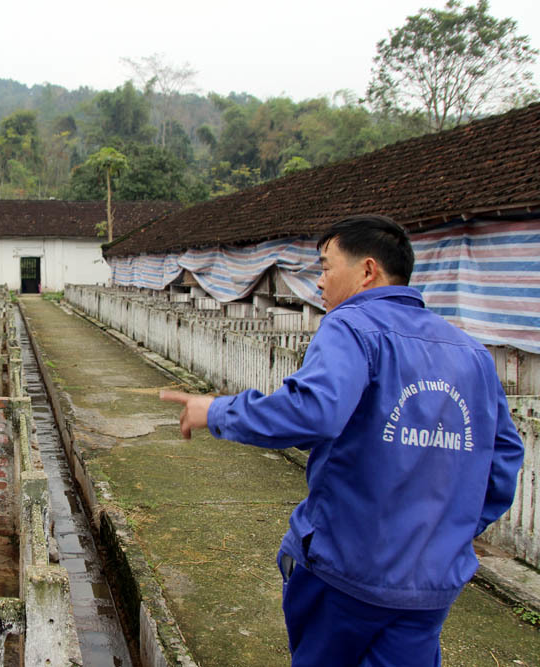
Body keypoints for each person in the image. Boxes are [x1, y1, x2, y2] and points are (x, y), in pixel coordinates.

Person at [160, 214, 524, 666]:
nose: (319, 284)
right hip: (428, 585)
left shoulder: (352, 326)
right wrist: (450, 532)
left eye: (326, 267)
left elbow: (314, 411)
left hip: (348, 570)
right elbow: (504, 458)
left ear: (367, 270)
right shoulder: (471, 354)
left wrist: (215, 410)